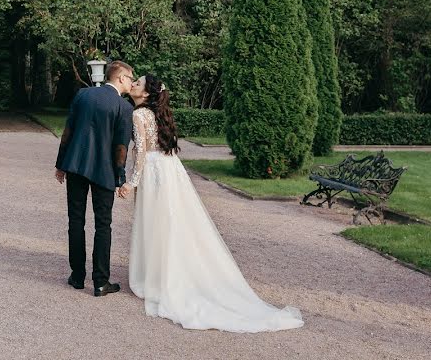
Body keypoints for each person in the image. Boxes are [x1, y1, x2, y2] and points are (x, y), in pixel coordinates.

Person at [118, 74, 304, 332]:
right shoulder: (157, 114)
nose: (134, 85)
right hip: (170, 170)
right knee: (174, 222)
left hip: (153, 173)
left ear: (147, 94)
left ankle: (158, 279)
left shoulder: (138, 116)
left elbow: (140, 154)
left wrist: (131, 182)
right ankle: (169, 273)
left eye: (137, 83)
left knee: (156, 223)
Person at [55, 60, 135, 297]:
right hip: (104, 172)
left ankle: (77, 276)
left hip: (76, 166)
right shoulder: (124, 107)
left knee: (75, 221)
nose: (132, 82)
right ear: (120, 78)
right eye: (131, 77)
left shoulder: (83, 95)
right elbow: (121, 147)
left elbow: (68, 130)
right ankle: (100, 282)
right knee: (103, 225)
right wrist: (119, 178)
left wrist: (61, 164)